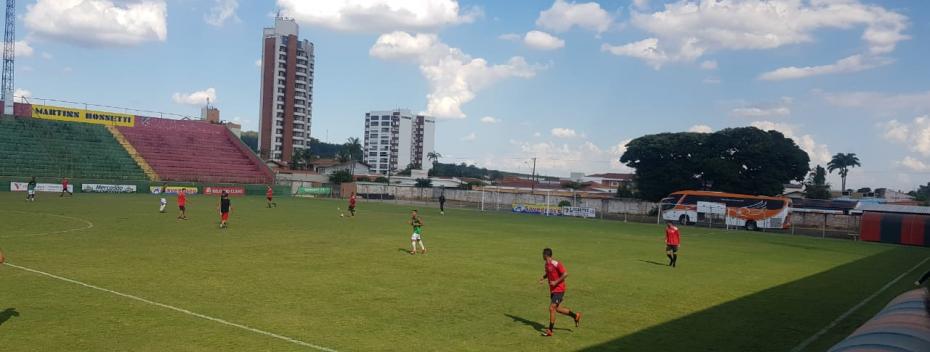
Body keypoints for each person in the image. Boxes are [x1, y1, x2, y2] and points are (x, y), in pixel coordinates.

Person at [538, 248, 581, 336]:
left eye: (543, 254)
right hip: (553, 290)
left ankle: (550, 330)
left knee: (551, 308)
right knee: (558, 309)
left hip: (559, 289)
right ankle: (575, 316)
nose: (542, 256)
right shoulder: (546, 264)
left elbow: (565, 274)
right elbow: (548, 273)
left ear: (546, 255)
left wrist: (555, 282)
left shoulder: (556, 263)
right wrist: (543, 277)